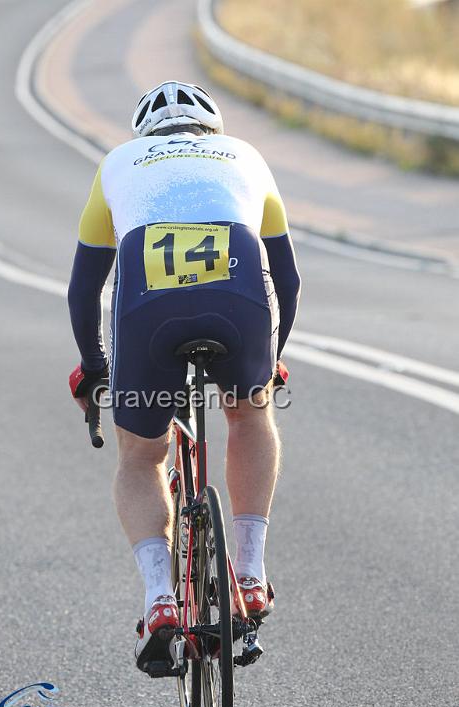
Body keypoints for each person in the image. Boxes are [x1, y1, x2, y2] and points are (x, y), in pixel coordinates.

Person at [68, 81, 301, 672]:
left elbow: (83, 289)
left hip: (148, 305)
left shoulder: (116, 164)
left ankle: (160, 600)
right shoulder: (247, 155)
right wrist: (270, 361)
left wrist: (96, 370)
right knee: (249, 415)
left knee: (142, 456)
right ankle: (249, 575)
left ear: (144, 134)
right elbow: (289, 280)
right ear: (212, 129)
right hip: (241, 295)